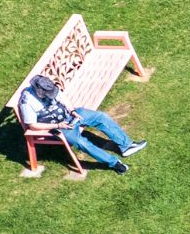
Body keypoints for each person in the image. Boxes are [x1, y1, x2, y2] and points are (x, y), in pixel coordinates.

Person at [17, 74, 146, 174]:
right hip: (57, 128)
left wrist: (73, 111)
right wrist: (58, 126)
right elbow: (32, 126)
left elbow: (63, 98)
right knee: (81, 142)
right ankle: (114, 163)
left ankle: (126, 146)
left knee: (100, 116)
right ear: (39, 93)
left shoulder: (48, 87)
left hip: (69, 116)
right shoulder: (28, 102)